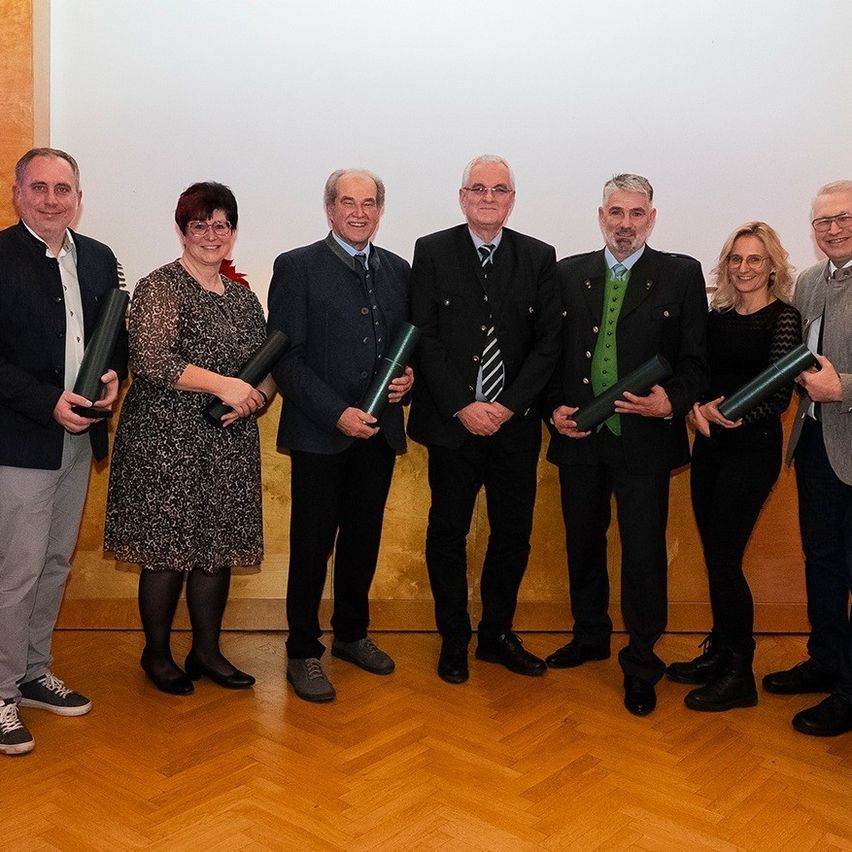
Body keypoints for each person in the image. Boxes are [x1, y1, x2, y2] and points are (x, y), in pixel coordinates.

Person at [544, 174, 708, 716]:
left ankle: (641, 661)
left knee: (642, 554)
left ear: (652, 219)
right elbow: (546, 355)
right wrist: (551, 408)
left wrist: (672, 403)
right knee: (582, 543)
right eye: (616, 213)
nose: (625, 224)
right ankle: (590, 635)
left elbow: (694, 364)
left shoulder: (681, 275)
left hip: (645, 444)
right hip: (581, 438)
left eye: (637, 214)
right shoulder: (567, 275)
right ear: (600, 216)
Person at [105, 182, 274, 696]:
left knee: (215, 552)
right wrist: (227, 385)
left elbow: (267, 364)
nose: (210, 235)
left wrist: (257, 397)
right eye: (199, 224)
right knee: (165, 553)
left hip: (226, 442)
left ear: (233, 233)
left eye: (220, 225)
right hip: (164, 443)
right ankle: (156, 653)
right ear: (182, 230)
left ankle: (206, 650)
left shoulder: (243, 296)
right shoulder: (161, 286)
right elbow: (153, 361)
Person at [408, 154, 561, 685]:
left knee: (512, 534)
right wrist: (462, 404)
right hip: (452, 425)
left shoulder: (540, 257)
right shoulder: (431, 251)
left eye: (500, 189)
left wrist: (507, 406)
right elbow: (422, 335)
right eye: (479, 188)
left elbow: (547, 344)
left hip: (513, 426)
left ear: (512, 199)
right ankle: (453, 637)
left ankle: (496, 635)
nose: (489, 197)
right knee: (447, 531)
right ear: (462, 196)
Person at [268, 169, 412, 703]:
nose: (359, 212)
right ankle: (303, 650)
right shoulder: (296, 266)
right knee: (311, 546)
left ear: (380, 211)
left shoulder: (400, 270)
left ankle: (351, 634)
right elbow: (287, 357)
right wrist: (338, 414)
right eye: (348, 202)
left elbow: (406, 347)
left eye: (369, 203)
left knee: (362, 540)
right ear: (329, 210)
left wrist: (409, 380)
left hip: (379, 434)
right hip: (319, 434)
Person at [0, 148, 126, 756]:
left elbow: (114, 338)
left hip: (82, 439)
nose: (53, 199)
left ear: (79, 195)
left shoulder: (98, 258)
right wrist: (47, 400)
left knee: (53, 564)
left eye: (64, 189)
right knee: (15, 573)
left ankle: (30, 672)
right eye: (40, 188)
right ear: (19, 193)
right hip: (21, 441)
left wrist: (112, 380)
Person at [666, 223, 801, 711]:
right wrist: (695, 408)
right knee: (716, 558)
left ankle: (739, 672)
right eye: (736, 260)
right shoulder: (714, 316)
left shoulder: (784, 318)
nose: (744, 269)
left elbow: (781, 393)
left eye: (755, 260)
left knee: (725, 560)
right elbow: (697, 372)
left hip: (752, 452)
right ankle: (720, 651)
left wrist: (730, 415)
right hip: (709, 448)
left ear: (772, 267)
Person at [763, 181, 852, 737]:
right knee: (821, 562)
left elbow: (833, 379)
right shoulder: (810, 281)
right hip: (815, 446)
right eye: (823, 222)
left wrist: (844, 388)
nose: (834, 229)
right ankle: (826, 661)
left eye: (844, 218)